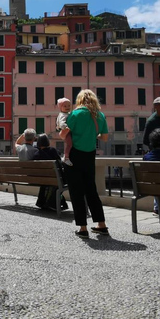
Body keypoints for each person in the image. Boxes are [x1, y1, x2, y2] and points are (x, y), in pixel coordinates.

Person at [63, 89, 109, 238]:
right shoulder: (100, 115)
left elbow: (65, 133)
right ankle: (101, 224)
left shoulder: (75, 114)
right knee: (91, 190)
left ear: (79, 100)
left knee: (77, 191)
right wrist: (93, 134)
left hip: (75, 155)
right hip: (90, 155)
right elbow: (105, 137)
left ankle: (83, 228)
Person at [31, 133, 68, 211]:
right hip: (55, 179)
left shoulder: (36, 154)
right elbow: (60, 163)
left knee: (50, 184)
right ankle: (52, 203)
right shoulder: (53, 150)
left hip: (42, 180)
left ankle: (42, 202)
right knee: (57, 183)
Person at [56, 98, 73, 166]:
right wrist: (65, 127)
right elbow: (61, 122)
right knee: (69, 144)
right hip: (66, 131)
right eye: (65, 106)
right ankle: (66, 158)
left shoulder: (67, 113)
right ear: (60, 107)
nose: (67, 107)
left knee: (70, 144)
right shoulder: (62, 115)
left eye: (68, 106)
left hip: (67, 131)